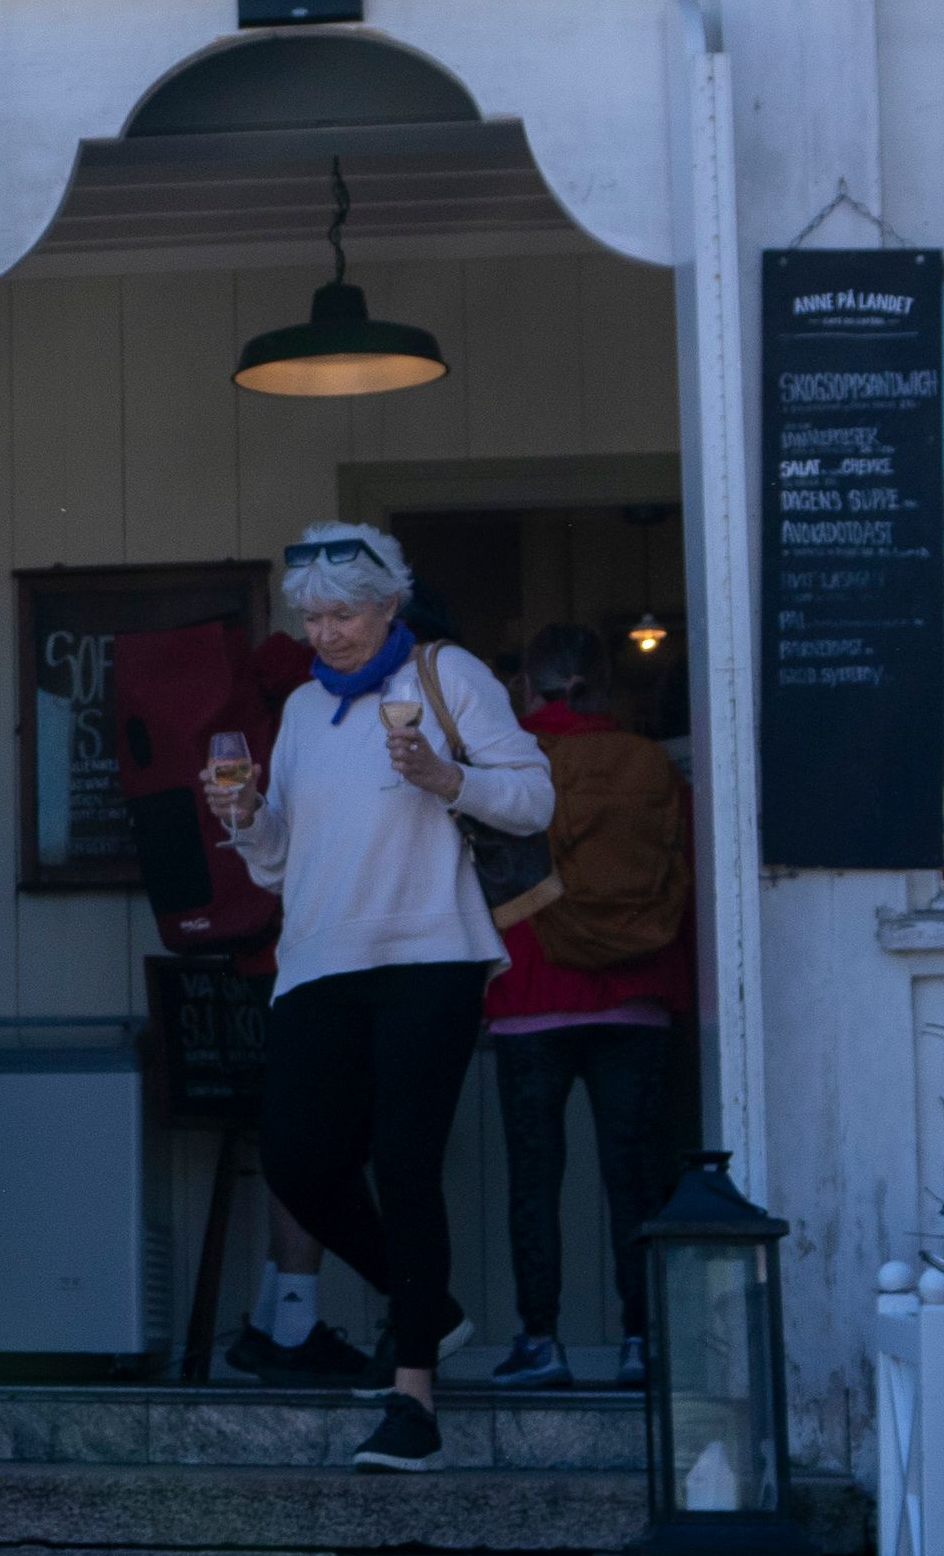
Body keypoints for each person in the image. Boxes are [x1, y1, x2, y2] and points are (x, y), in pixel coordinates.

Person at [211, 521, 555, 1471]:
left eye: (345, 614)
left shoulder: (447, 678)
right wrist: (246, 821)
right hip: (319, 961)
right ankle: (430, 1311)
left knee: (404, 1165)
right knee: (299, 1164)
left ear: (389, 606)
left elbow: (534, 798)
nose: (327, 633)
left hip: (429, 955)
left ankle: (414, 1402)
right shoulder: (300, 712)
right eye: (313, 617)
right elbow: (283, 863)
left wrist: (449, 778)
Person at [473, 624, 700, 1387]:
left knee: (535, 1177)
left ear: (528, 684)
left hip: (532, 992)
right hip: (636, 993)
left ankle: (542, 1342)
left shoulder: (510, 764)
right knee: (634, 1175)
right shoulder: (650, 765)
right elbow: (685, 875)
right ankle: (644, 1342)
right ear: (603, 684)